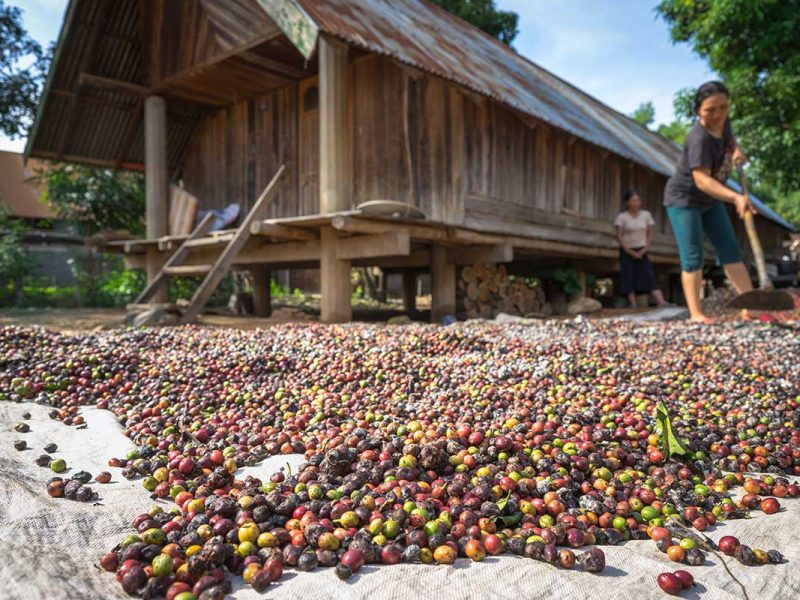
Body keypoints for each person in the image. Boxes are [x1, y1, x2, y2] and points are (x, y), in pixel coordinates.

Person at [663, 81, 755, 323]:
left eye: (723, 108)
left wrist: (736, 151)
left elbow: (730, 142)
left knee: (730, 249)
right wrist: (736, 197)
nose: (718, 115)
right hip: (684, 199)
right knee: (693, 255)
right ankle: (696, 314)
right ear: (698, 111)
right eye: (710, 110)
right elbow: (702, 180)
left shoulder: (724, 125)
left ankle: (751, 307)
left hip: (710, 200)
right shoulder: (698, 138)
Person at [614, 191, 669, 308]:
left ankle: (661, 301)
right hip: (627, 250)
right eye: (634, 201)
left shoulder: (646, 215)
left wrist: (644, 249)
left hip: (642, 249)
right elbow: (619, 235)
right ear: (627, 203)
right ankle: (632, 303)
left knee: (649, 275)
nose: (637, 203)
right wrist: (629, 251)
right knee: (628, 276)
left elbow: (650, 233)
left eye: (638, 200)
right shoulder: (622, 217)